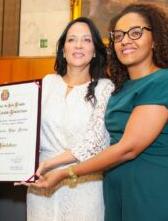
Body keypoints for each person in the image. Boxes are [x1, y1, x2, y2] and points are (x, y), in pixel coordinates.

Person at [26, 3, 168, 220]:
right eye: (119, 35)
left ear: (155, 40)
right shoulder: (121, 88)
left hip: (154, 188)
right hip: (116, 188)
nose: (125, 40)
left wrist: (67, 172)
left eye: (136, 32)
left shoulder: (163, 80)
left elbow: (128, 148)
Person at [22, 17, 114, 221]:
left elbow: (96, 142)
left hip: (84, 184)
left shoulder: (105, 88)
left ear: (95, 51)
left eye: (87, 40)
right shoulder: (47, 83)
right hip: (41, 185)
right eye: (72, 39)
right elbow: (25, 126)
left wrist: (51, 164)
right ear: (63, 50)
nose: (79, 45)